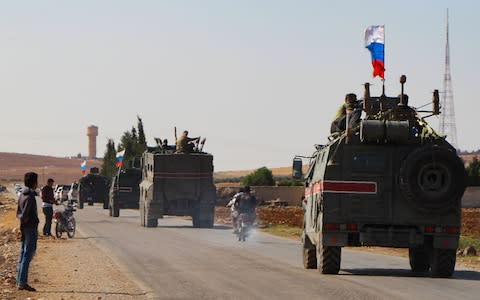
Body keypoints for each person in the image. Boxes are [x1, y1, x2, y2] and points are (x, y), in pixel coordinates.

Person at [16, 172, 39, 292]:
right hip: (30, 228)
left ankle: (19, 280)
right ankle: (22, 282)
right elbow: (24, 215)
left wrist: (21, 228)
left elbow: (18, 213)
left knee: (23, 254)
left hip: (25, 227)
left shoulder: (22, 195)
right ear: (34, 183)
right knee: (28, 254)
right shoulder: (30, 197)